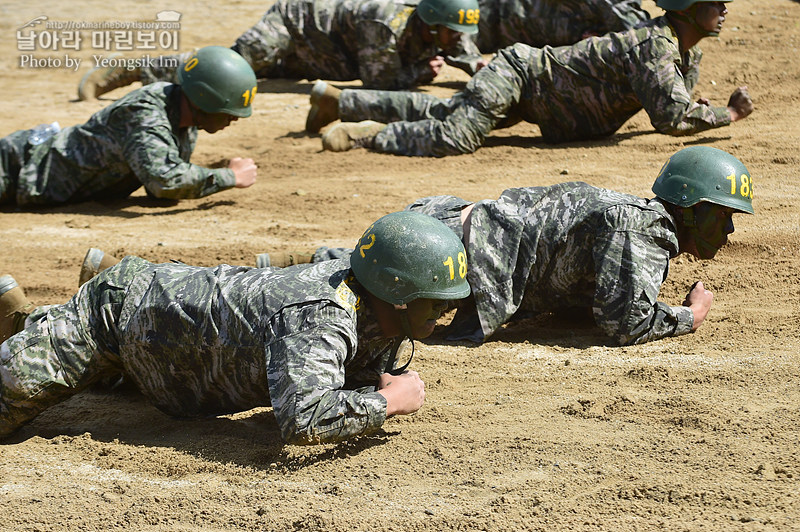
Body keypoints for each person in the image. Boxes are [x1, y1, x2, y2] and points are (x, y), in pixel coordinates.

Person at [0, 212, 470, 444]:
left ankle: (27, 320)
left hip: (169, 362)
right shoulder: (320, 314)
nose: (444, 313)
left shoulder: (371, 301)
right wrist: (387, 401)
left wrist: (371, 380)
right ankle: (29, 323)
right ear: (395, 292)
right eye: (436, 302)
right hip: (113, 319)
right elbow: (302, 417)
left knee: (107, 381)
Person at [257, 146, 754, 345]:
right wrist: (690, 315)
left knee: (354, 274)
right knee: (357, 298)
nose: (728, 231)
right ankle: (273, 275)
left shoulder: (636, 218)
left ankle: (296, 262)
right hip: (466, 251)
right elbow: (624, 321)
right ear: (688, 205)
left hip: (459, 227)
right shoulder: (643, 230)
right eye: (723, 215)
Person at [309, 0, 754, 156]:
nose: (724, 12)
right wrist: (728, 114)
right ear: (689, 7)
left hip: (539, 97)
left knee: (449, 110)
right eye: (716, 3)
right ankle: (368, 135)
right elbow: (672, 116)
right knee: (456, 136)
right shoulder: (655, 46)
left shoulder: (682, 52)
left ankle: (341, 102)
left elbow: (678, 101)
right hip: (522, 74)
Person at [77, 0, 485, 102]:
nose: (457, 39)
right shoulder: (383, 23)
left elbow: (469, 54)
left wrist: (482, 68)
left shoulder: (444, 28)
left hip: (323, 54)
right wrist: (416, 75)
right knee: (233, 67)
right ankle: (129, 70)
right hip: (295, 24)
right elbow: (377, 82)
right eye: (452, 33)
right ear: (432, 23)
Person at [1, 47, 258, 207]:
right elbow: (164, 181)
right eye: (229, 112)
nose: (234, 119)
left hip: (28, 180)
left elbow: (161, 189)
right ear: (204, 99)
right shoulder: (145, 114)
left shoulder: (184, 120)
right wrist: (230, 177)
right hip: (15, 167)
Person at [473, 0, 650, 53]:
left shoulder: (621, 9)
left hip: (511, 36)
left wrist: (601, 41)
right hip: (493, 16)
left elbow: (638, 39)